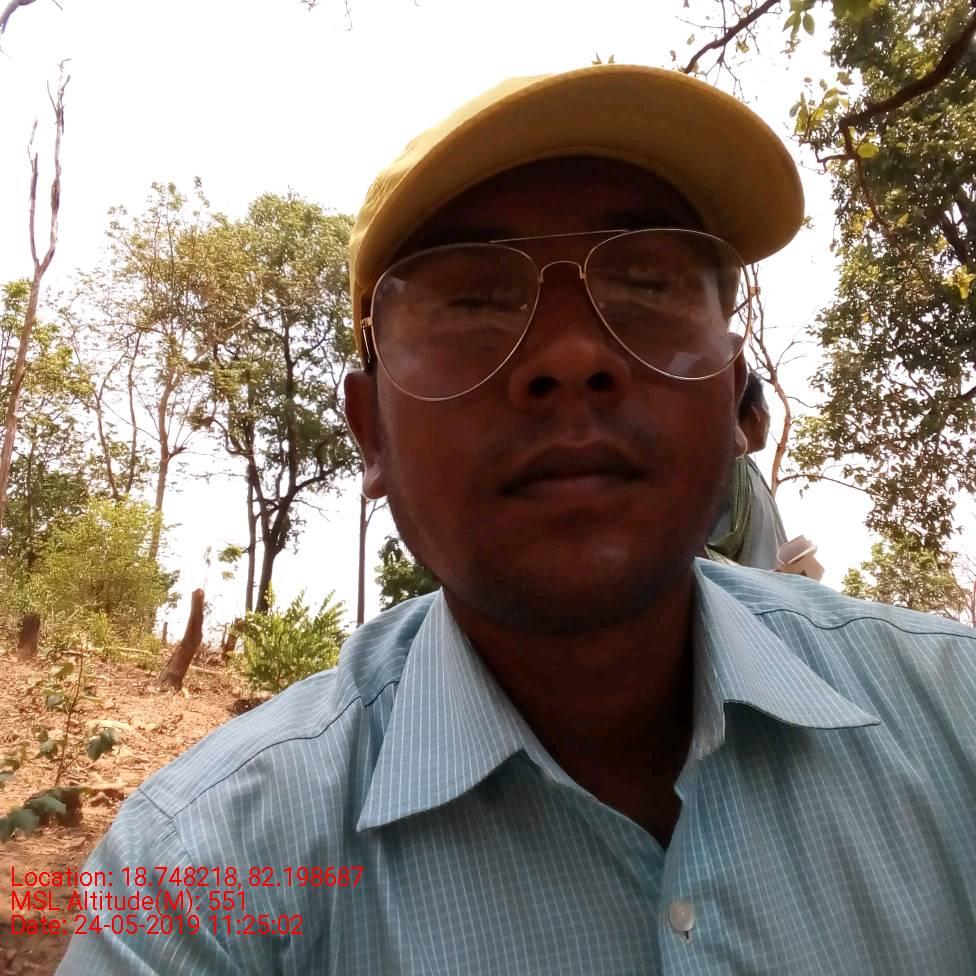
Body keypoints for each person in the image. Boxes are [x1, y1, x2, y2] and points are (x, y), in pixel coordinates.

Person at [57, 64, 976, 975]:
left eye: (647, 283)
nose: (571, 355)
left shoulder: (956, 715)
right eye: (472, 299)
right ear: (371, 434)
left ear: (735, 394)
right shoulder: (193, 888)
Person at [707, 370, 788, 569]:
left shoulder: (751, 472)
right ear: (756, 413)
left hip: (765, 586)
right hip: (728, 584)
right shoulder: (718, 460)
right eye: (768, 410)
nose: (770, 420)